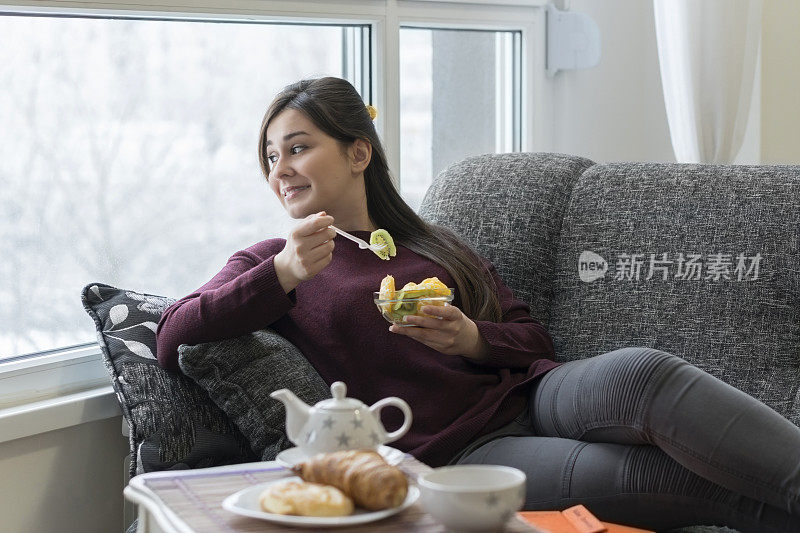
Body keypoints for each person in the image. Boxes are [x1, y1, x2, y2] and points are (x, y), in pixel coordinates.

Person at [156, 76, 800, 532]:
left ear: (358, 153)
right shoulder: (276, 262)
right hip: (464, 448)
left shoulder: (431, 244)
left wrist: (470, 338)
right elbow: (174, 332)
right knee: (665, 477)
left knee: (644, 372)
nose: (280, 170)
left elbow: (533, 340)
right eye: (270, 158)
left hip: (533, 393)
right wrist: (284, 272)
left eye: (297, 147)